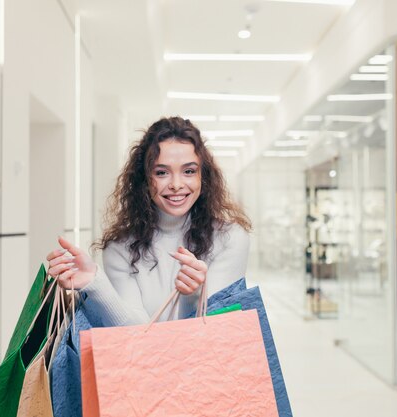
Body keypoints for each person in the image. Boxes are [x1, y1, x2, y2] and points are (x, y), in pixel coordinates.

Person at [46, 116, 251, 326]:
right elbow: (137, 332)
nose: (176, 184)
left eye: (189, 171)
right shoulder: (119, 247)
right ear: (144, 179)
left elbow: (217, 333)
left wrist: (193, 296)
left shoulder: (230, 238)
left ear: (203, 177)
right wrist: (94, 282)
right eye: (162, 173)